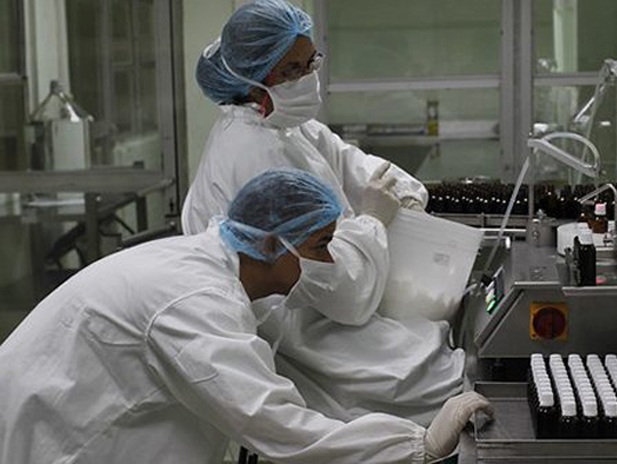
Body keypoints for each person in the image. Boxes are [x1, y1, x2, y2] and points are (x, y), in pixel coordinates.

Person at [0, 169, 492, 464]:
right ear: (269, 245)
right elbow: (271, 421)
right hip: (61, 444)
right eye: (321, 246)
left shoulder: (214, 269)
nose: (328, 262)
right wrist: (417, 445)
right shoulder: (195, 304)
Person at [185, 0, 465, 425]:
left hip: (330, 306)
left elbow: (349, 162)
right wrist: (372, 220)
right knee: (441, 376)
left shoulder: (282, 125)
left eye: (310, 62)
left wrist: (401, 193)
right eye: (291, 70)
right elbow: (342, 292)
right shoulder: (254, 152)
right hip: (301, 331)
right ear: (253, 80)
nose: (307, 78)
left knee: (441, 340)